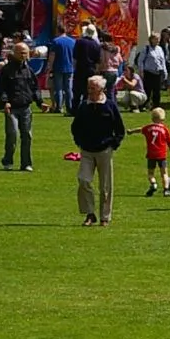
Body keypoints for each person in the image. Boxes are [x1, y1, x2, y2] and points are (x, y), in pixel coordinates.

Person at [70, 75, 126, 226]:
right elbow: (75, 127)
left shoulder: (110, 106)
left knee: (105, 186)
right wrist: (79, 142)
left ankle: (104, 217)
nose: (89, 91)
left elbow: (120, 129)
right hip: (87, 150)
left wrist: (113, 144)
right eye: (88, 88)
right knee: (83, 180)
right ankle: (89, 214)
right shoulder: (84, 106)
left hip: (104, 151)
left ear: (101, 89)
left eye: (92, 88)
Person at [0, 38, 36, 172]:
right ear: (14, 53)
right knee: (12, 135)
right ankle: (7, 161)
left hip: (26, 107)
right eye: (21, 53)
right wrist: (5, 102)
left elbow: (34, 87)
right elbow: (1, 89)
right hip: (12, 108)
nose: (24, 55)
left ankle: (26, 163)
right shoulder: (7, 70)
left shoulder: (29, 70)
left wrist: (40, 102)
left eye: (25, 53)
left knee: (27, 135)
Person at [141, 106, 170, 196]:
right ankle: (166, 190)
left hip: (151, 155)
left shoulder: (148, 128)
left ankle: (153, 184)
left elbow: (140, 129)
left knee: (151, 173)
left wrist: (131, 131)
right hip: (162, 155)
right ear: (163, 118)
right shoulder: (164, 129)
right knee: (164, 173)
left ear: (152, 118)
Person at [48, 23, 77, 114]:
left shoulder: (56, 41)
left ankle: (59, 107)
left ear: (58, 30)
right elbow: (75, 56)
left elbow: (52, 55)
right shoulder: (73, 41)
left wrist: (50, 66)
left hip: (58, 67)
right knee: (69, 89)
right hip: (70, 67)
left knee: (58, 88)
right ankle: (70, 107)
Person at [136, 32, 170, 111]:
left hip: (157, 73)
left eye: (158, 39)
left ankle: (156, 106)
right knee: (147, 90)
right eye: (156, 39)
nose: (158, 40)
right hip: (148, 72)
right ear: (151, 40)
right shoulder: (146, 49)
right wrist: (141, 71)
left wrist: (165, 72)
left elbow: (162, 61)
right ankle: (143, 105)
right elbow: (140, 60)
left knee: (157, 91)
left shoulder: (160, 49)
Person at [72, 24, 102, 97]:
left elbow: (75, 56)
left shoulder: (79, 41)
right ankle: (86, 105)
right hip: (91, 70)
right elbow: (98, 60)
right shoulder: (96, 45)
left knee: (77, 91)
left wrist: (74, 68)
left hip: (80, 68)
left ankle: (75, 107)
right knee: (88, 90)